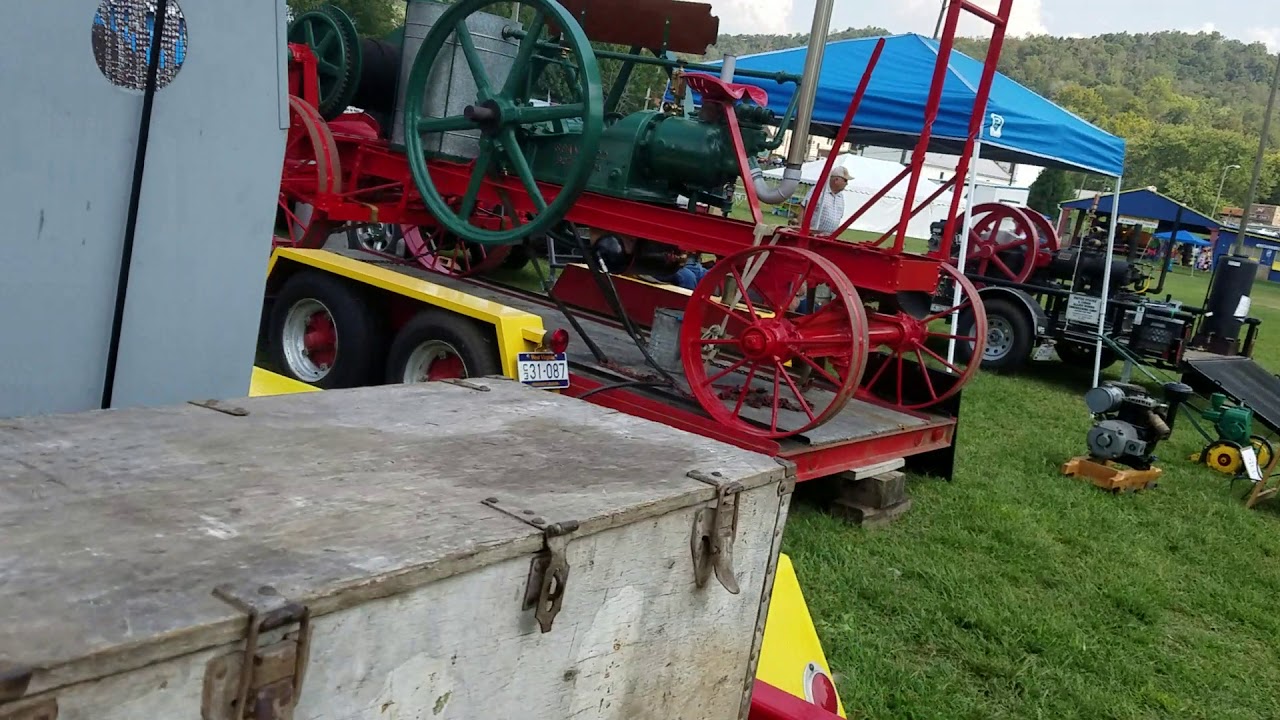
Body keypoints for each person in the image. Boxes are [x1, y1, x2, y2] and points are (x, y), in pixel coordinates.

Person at [799, 165, 850, 235]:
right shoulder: (819, 191)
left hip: (829, 236)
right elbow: (804, 208)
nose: (847, 183)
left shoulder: (840, 196)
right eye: (845, 180)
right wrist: (800, 229)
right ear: (836, 180)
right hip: (813, 234)